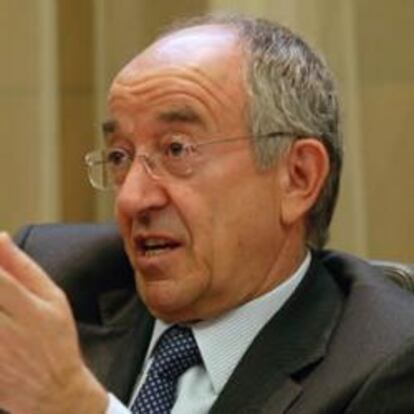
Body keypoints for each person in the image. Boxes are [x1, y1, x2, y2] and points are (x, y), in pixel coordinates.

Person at [1, 13, 414, 414]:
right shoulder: (51, 279)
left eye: (176, 149)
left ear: (298, 177)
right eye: (119, 156)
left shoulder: (387, 364)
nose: (132, 199)